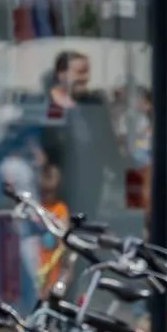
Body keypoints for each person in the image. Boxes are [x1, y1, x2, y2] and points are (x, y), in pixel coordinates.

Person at [41, 50, 126, 227]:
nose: (85, 78)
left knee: (84, 228)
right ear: (61, 74)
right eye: (79, 72)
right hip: (56, 184)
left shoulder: (94, 103)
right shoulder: (44, 104)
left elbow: (107, 141)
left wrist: (120, 175)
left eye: (86, 72)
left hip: (90, 181)